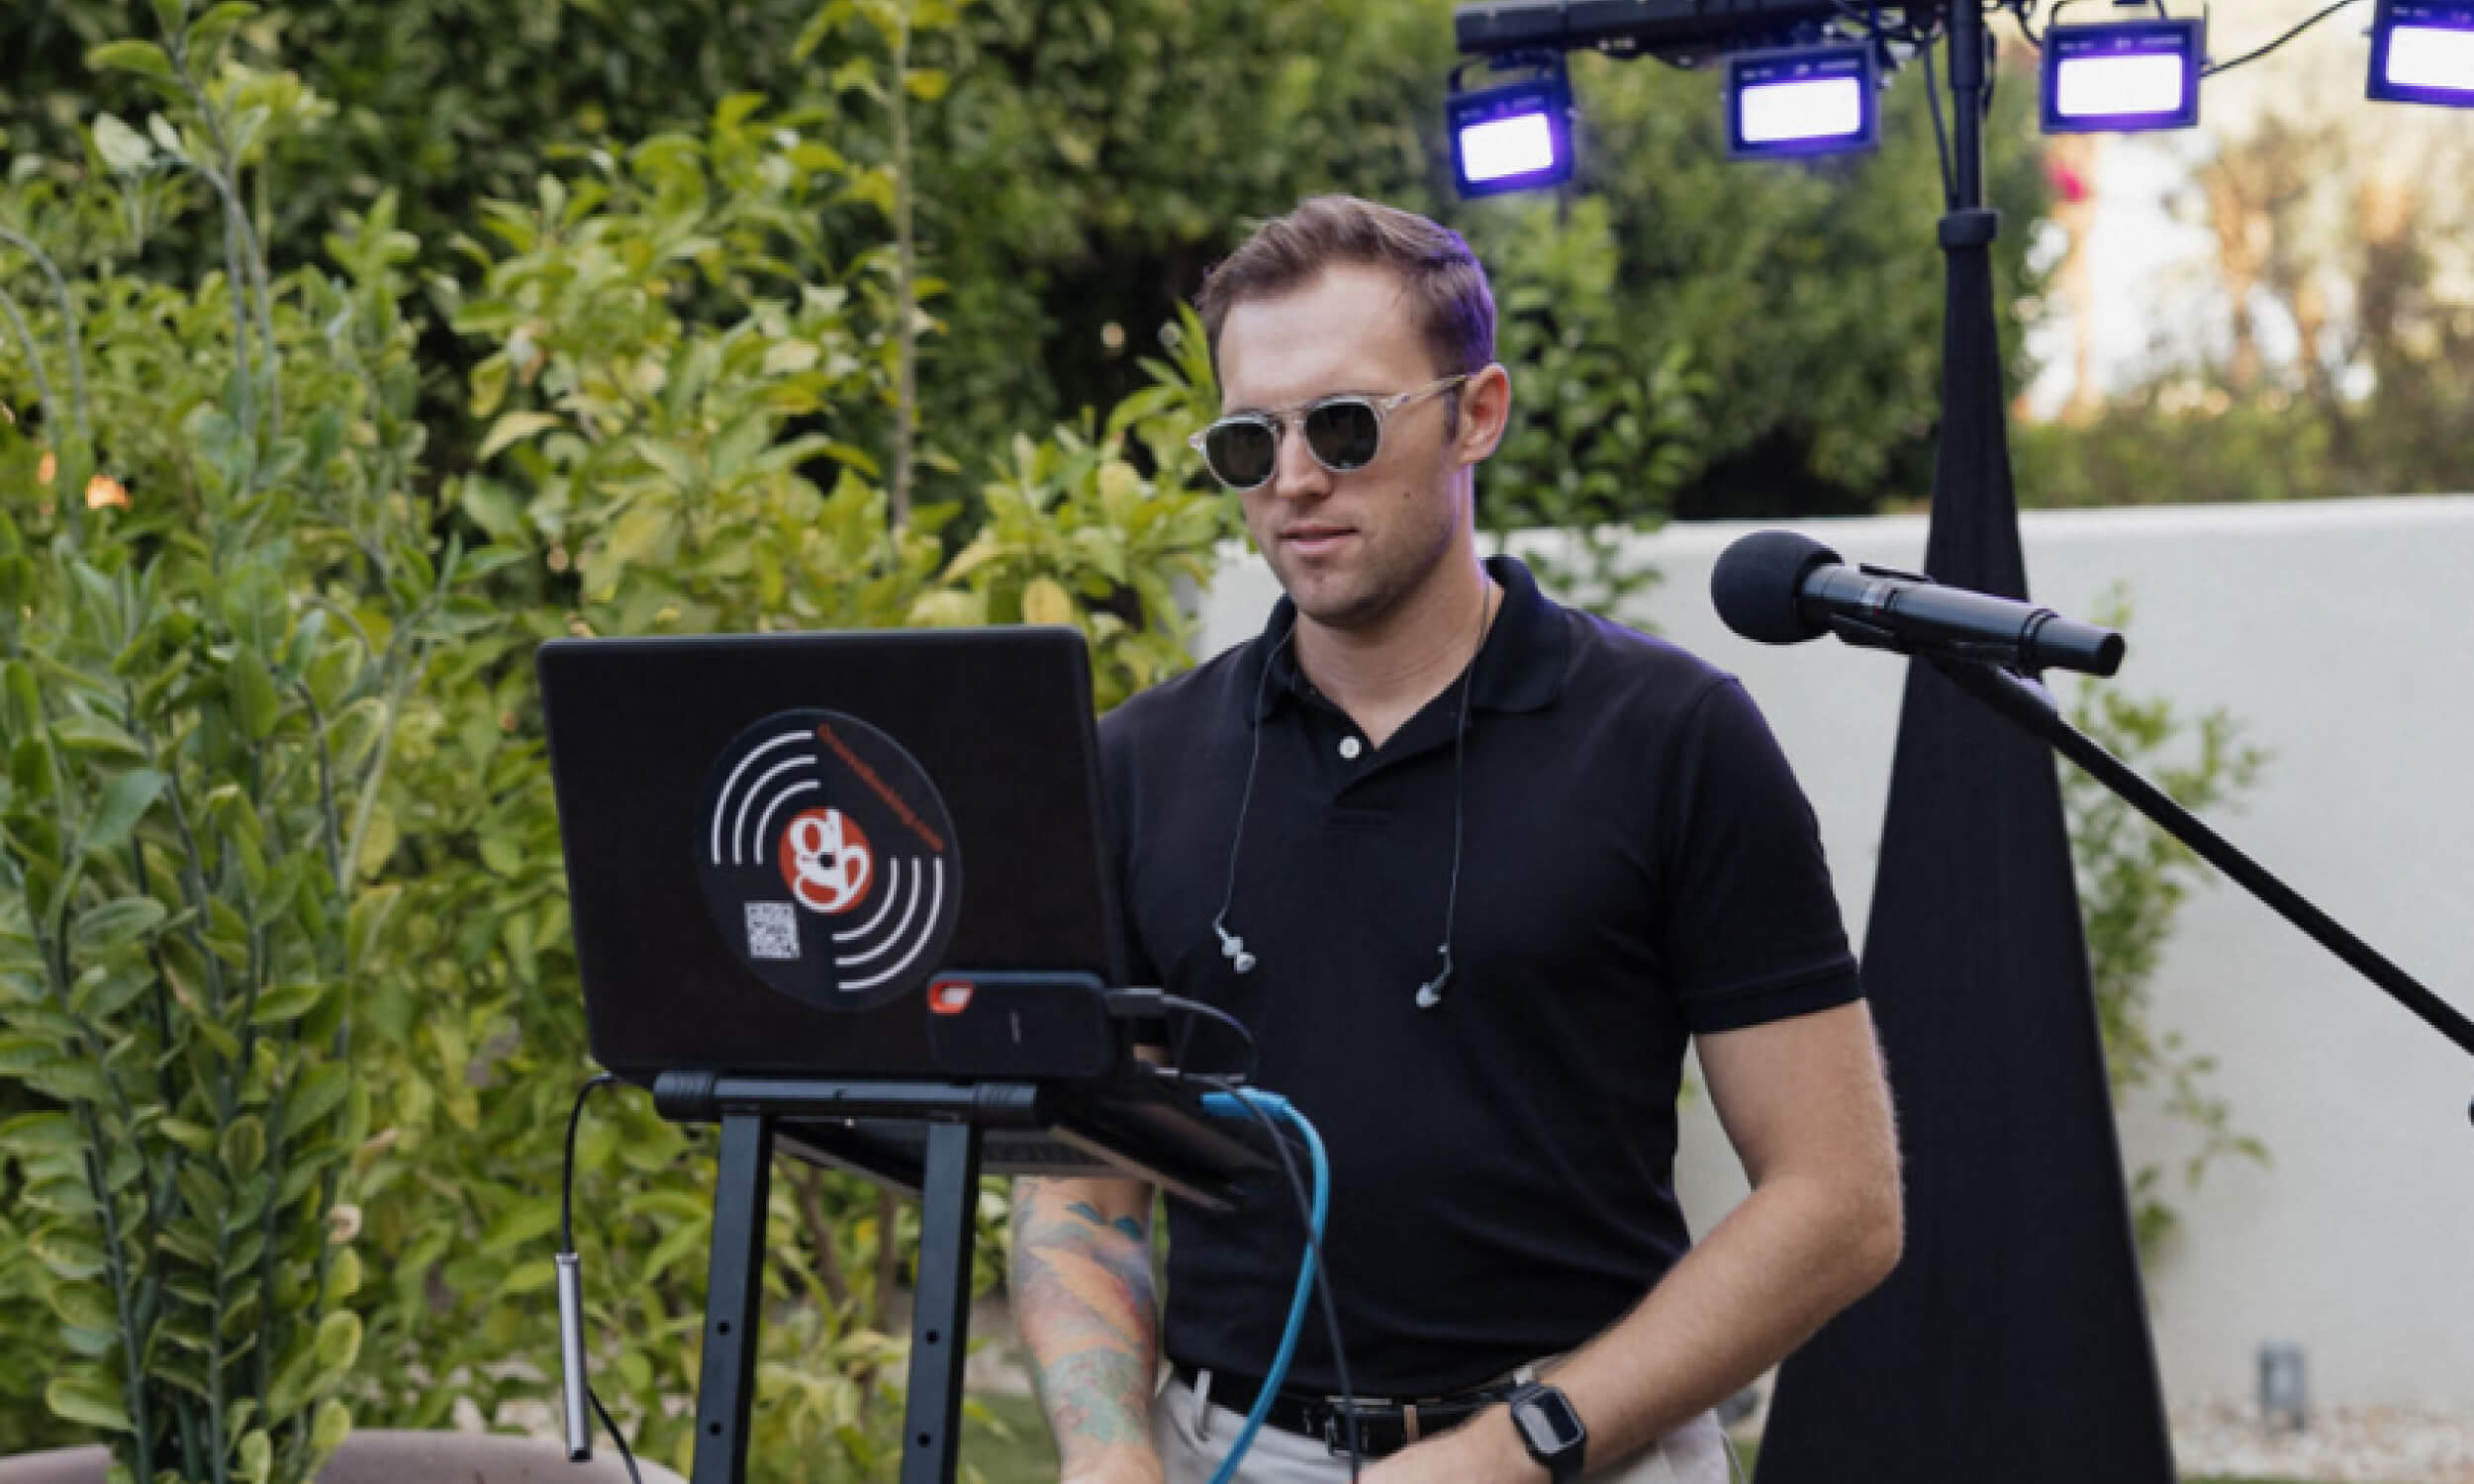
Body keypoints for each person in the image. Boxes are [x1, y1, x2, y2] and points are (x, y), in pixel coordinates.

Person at [1009, 195, 1903, 1484]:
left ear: (1476, 414)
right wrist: (1106, 1454)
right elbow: (1083, 1183)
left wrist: (1515, 1449)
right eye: (1249, 442)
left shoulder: (1672, 736)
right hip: (1225, 1451)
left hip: (1580, 1451)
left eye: (1345, 424)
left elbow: (1839, 1198)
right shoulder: (1138, 762)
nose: (1295, 479)